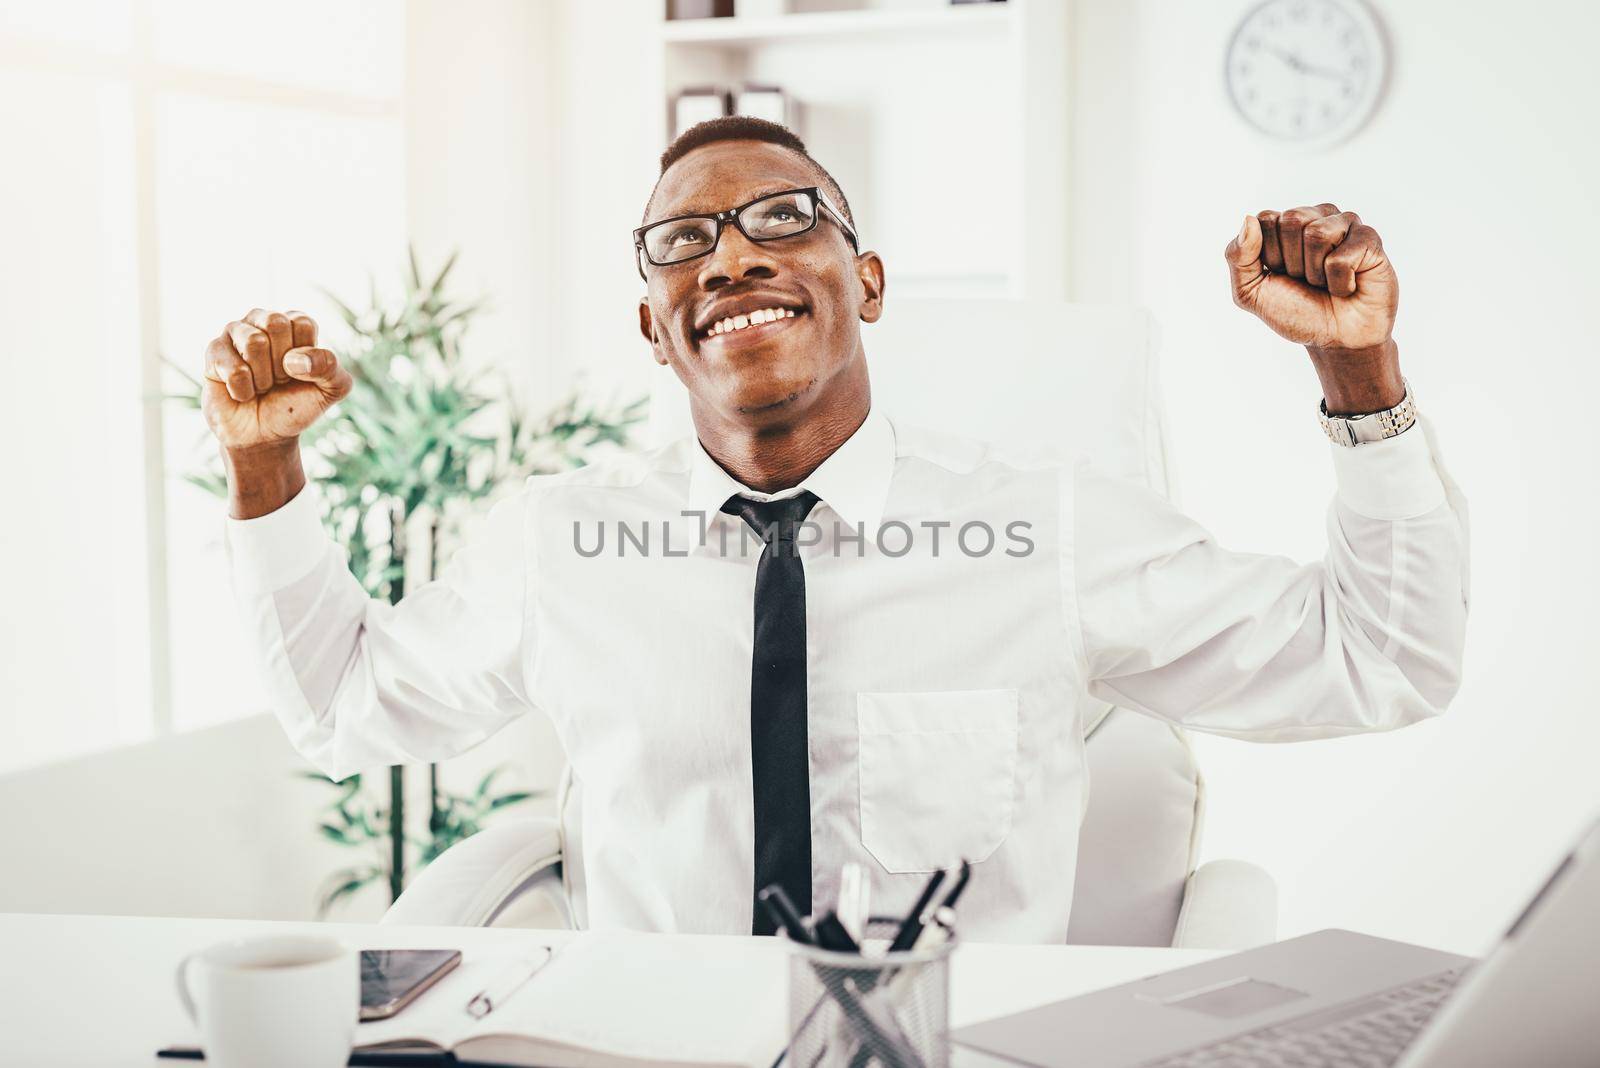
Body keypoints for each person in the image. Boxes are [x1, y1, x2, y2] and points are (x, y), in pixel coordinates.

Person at [203, 116, 1468, 942]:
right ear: (654, 325)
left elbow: (1381, 660)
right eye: (682, 242)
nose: (732, 258)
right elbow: (342, 709)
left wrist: (1362, 374)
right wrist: (263, 467)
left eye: (784, 219)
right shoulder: (561, 549)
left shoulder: (1045, 531)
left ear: (865, 281)